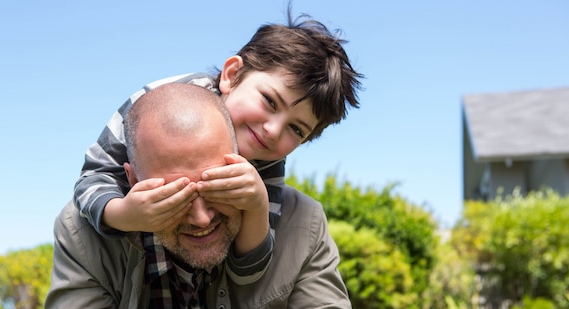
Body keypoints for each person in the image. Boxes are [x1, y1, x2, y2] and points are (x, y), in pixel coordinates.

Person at [40, 83, 364, 309]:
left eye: (217, 188)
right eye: (174, 195)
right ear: (133, 181)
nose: (201, 218)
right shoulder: (83, 231)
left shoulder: (302, 222)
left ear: (245, 164)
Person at [74, 11, 362, 286]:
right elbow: (93, 176)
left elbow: (249, 270)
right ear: (232, 75)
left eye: (296, 129)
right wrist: (123, 214)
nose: (273, 131)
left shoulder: (267, 164)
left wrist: (257, 206)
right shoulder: (157, 107)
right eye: (270, 101)